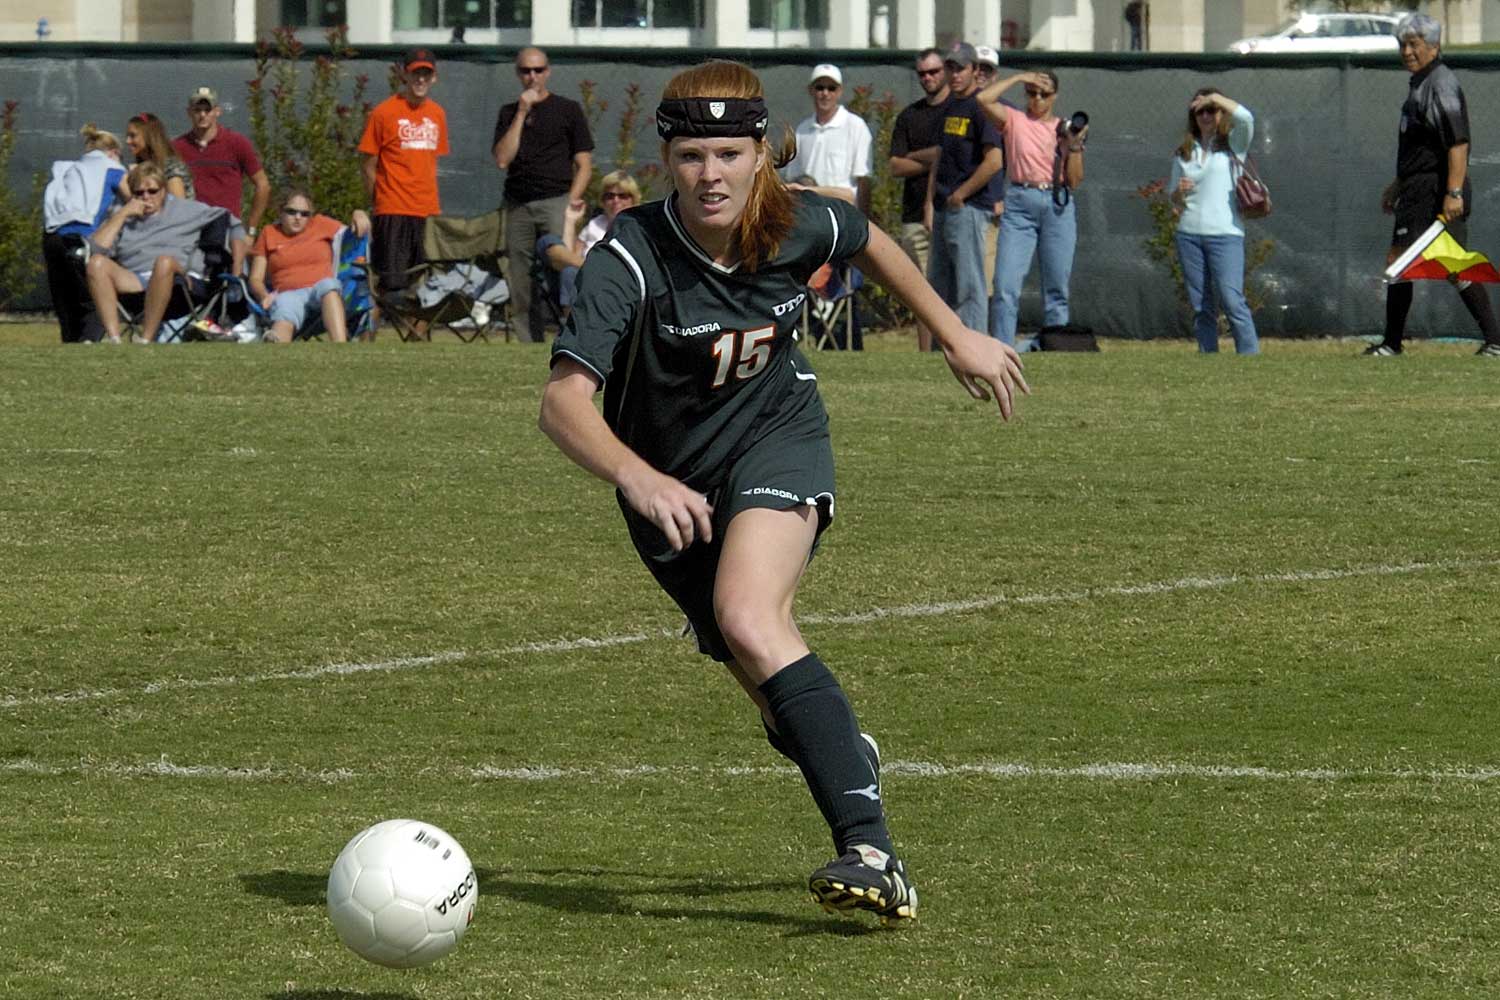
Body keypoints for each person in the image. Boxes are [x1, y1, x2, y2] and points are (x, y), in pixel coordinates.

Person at [538, 59, 1028, 924]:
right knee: (765, 683)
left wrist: (955, 334)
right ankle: (840, 748)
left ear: (762, 153)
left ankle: (873, 854)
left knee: (750, 617)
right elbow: (562, 403)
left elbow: (867, 239)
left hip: (778, 438)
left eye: (729, 154)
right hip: (669, 490)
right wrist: (639, 476)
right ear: (666, 160)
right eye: (691, 156)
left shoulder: (796, 220)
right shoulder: (629, 257)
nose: (711, 175)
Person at [1368, 13, 1500, 358]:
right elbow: (1423, 146)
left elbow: (1458, 142)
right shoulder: (1421, 83)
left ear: (1434, 46)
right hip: (1418, 187)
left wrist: (1453, 192)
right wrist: (1398, 185)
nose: (1406, 51)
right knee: (1451, 264)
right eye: (1402, 45)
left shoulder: (1440, 82)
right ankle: (1495, 341)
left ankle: (1392, 345)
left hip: (1434, 191)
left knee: (1401, 259)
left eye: (1414, 44)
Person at [977, 69, 1087, 346]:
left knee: (1056, 286)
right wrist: (1018, 78)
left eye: (1044, 94)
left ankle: (1056, 345)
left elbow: (1074, 181)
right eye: (1031, 93)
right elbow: (983, 99)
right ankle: (1003, 348)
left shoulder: (1063, 128)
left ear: (1055, 96)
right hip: (1020, 201)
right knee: (1005, 285)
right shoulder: (1014, 119)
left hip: (1057, 203)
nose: (1037, 99)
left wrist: (1074, 146)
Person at [493, 47, 595, 343]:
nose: (532, 76)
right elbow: (502, 159)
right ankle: (529, 341)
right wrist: (522, 112)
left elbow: (584, 164)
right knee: (520, 275)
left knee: (563, 267)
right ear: (518, 74)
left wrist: (570, 201)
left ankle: (574, 335)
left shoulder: (567, 109)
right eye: (526, 71)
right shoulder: (509, 112)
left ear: (547, 72)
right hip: (518, 205)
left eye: (538, 70)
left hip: (556, 201)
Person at [84, 162, 233, 344]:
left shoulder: (187, 209)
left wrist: (239, 252)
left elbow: (228, 219)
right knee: (96, 263)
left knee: (164, 262)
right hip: (137, 279)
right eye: (139, 193)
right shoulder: (122, 213)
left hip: (179, 282)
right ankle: (114, 338)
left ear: (163, 191)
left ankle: (146, 339)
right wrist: (123, 214)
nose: (146, 197)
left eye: (152, 191)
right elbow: (94, 250)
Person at [1168, 89, 1259, 355]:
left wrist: (1215, 98)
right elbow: (1173, 197)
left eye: (1212, 110)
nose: (1206, 116)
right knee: (1201, 305)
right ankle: (1208, 356)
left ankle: (1250, 356)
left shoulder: (1233, 144)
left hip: (1226, 234)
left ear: (1221, 113)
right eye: (1200, 111)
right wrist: (1178, 192)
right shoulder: (1184, 152)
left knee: (1232, 299)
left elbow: (1247, 118)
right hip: (1189, 234)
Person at [924, 43, 1003, 337]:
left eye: (961, 68)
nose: (955, 74)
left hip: (968, 208)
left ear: (974, 70)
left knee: (970, 287)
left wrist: (962, 194)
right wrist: (930, 202)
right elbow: (940, 156)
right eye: (951, 67)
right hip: (944, 206)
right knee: (939, 285)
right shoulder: (950, 106)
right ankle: (943, 349)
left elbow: (994, 161)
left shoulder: (980, 107)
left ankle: (975, 346)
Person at [358, 49, 449, 300]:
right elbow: (367, 165)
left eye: (426, 74)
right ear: (404, 75)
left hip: (427, 211)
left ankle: (414, 328)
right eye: (415, 73)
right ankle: (375, 325)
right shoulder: (383, 113)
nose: (420, 79)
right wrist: (380, 202)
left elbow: (429, 161)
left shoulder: (437, 114)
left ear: (434, 78)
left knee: (425, 286)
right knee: (391, 285)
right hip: (393, 210)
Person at [248, 188, 371, 343]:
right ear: (280, 212)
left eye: (304, 214)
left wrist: (358, 213)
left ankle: (340, 345)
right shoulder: (269, 233)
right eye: (291, 212)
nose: (298, 217)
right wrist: (264, 296)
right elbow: (255, 278)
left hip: (320, 290)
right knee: (285, 307)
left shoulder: (320, 224)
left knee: (329, 286)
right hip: (288, 293)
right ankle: (276, 343)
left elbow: (353, 233)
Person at [888, 47, 949, 351]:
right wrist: (935, 157)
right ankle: (926, 355)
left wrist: (920, 156)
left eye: (934, 71)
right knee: (921, 290)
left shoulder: (958, 111)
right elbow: (895, 166)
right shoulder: (910, 116)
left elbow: (960, 156)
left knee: (957, 288)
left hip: (952, 212)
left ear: (946, 71)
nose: (928, 78)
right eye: (922, 73)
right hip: (914, 217)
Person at [43, 124, 126, 343]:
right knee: (94, 299)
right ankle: (89, 343)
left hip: (52, 237)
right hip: (81, 236)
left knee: (65, 302)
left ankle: (71, 344)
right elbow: (133, 197)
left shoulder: (68, 168)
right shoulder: (112, 168)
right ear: (114, 152)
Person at [172, 86, 271, 238]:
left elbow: (263, 184)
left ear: (217, 111)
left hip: (228, 230)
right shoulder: (177, 147)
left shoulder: (237, 143)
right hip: (191, 230)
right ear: (189, 112)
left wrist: (251, 230)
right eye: (197, 110)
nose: (202, 115)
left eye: (208, 110)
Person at [537, 170, 640, 312]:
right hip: (586, 281)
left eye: (623, 196)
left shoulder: (638, 228)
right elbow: (569, 257)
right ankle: (570, 319)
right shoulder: (594, 225)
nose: (616, 201)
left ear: (633, 200)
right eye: (609, 196)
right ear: (602, 201)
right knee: (550, 245)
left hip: (617, 284)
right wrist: (570, 220)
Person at [779, 63, 874, 213]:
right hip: (811, 214)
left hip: (845, 214)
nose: (825, 93)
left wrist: (864, 219)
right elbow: (793, 176)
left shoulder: (856, 126)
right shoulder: (802, 130)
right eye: (820, 88)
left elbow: (863, 181)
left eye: (831, 88)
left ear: (840, 91)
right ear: (811, 90)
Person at [125, 112, 194, 201]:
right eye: (127, 136)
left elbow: (178, 205)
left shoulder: (172, 168)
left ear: (149, 136)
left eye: (133, 136)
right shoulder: (140, 166)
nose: (127, 141)